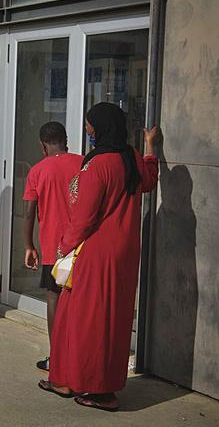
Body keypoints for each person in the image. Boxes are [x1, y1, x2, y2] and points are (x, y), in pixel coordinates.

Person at [38, 102, 159, 412]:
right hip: (124, 252)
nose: (88, 130)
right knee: (111, 319)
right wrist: (149, 148)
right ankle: (72, 380)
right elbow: (148, 180)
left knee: (82, 320)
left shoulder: (99, 165)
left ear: (101, 127)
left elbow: (83, 217)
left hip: (95, 252)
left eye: (90, 125)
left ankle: (95, 389)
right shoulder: (128, 158)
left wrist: (63, 248)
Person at [22, 122, 84, 372]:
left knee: (54, 298)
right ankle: (79, 357)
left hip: (53, 247)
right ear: (65, 140)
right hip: (81, 245)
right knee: (79, 301)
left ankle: (56, 357)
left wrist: (28, 245)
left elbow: (29, 213)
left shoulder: (38, 171)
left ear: (43, 145)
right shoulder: (83, 164)